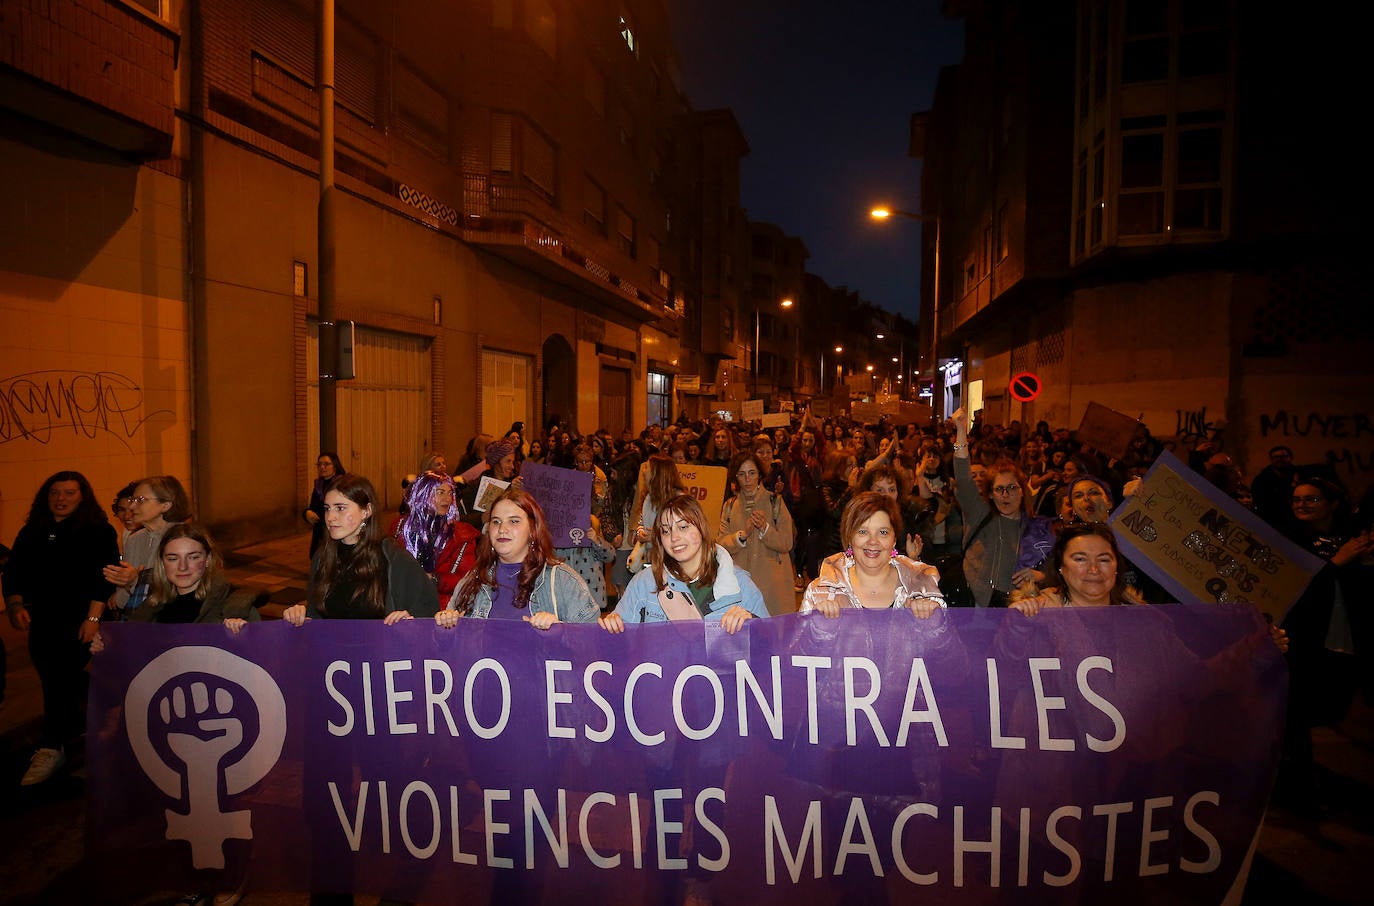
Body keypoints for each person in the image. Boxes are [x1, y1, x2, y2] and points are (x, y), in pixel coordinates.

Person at [4, 471, 119, 785]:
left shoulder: (98, 531)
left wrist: (93, 619)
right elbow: (14, 571)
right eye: (55, 492)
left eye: (70, 492)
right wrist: (15, 604)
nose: (61, 499)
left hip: (82, 618)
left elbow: (104, 577)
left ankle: (52, 746)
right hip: (43, 620)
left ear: (83, 496)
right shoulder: (32, 531)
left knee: (58, 680)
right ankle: (110, 702)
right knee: (55, 677)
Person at [1276, 478, 1374, 810]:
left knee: (1335, 705)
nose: (1301, 504)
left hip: (1344, 635)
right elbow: (1291, 589)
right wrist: (1335, 564)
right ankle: (1298, 786)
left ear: (1332, 503)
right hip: (1302, 638)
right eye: (1296, 499)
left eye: (1311, 499)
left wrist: (1363, 563)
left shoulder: (1354, 538)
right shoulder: (1288, 539)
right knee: (1298, 713)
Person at [282, 475, 438, 625]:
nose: (330, 517)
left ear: (366, 511)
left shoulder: (392, 556)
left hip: (378, 650)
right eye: (327, 509)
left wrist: (408, 620)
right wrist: (300, 615)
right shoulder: (322, 557)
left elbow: (427, 609)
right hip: (333, 651)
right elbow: (316, 615)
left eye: (340, 508)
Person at [600, 493, 765, 631]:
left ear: (701, 528)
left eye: (683, 527)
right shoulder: (644, 583)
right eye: (665, 531)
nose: (674, 537)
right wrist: (613, 627)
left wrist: (753, 622)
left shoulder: (740, 584)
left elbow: (771, 646)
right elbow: (621, 646)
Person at [435, 488, 599, 626]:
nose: (502, 529)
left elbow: (592, 644)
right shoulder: (473, 579)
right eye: (496, 521)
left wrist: (561, 631)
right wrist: (446, 626)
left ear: (533, 530)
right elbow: (453, 652)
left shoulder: (563, 580)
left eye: (513, 521)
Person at [801, 492, 944, 618]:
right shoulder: (821, 591)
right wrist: (820, 629)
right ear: (850, 537)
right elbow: (801, 645)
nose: (873, 541)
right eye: (863, 532)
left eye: (883, 532)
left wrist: (931, 623)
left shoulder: (921, 586)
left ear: (894, 539)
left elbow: (944, 644)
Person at [127, 524, 261, 628]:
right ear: (162, 562)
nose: (183, 567)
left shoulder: (235, 606)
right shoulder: (152, 604)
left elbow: (260, 652)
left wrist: (242, 635)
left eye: (193, 557)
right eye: (173, 559)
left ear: (207, 559)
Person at [718, 451, 797, 615]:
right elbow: (720, 545)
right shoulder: (729, 506)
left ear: (759, 474)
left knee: (773, 634)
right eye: (742, 474)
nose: (747, 479)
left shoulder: (775, 502)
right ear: (735, 477)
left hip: (773, 585)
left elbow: (786, 542)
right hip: (740, 586)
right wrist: (741, 536)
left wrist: (765, 529)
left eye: (752, 473)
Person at [103, 474, 192, 614]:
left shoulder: (184, 538)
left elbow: (182, 588)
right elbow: (123, 599)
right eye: (133, 499)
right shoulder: (134, 539)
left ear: (165, 505)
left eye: (141, 500)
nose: (132, 506)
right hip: (139, 619)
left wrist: (134, 581)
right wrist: (125, 583)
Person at [1009, 522, 1145, 613]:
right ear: (1060, 567)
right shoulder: (1038, 614)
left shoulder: (1142, 617)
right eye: (1080, 559)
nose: (1093, 569)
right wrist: (1017, 627)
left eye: (1104, 560)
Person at [391, 471, 480, 600]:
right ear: (423, 494)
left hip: (441, 607)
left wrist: (435, 580)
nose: (447, 499)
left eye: (450, 493)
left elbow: (467, 580)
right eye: (440, 492)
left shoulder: (462, 535)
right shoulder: (400, 526)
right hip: (402, 600)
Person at [457, 439, 520, 529]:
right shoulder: (477, 487)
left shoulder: (512, 484)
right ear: (496, 462)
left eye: (513, 462)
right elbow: (460, 519)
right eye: (508, 461)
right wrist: (481, 518)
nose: (512, 466)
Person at [304, 452, 347, 558]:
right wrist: (307, 513)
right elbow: (314, 506)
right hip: (321, 530)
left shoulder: (342, 484)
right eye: (319, 464)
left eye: (326, 464)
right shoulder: (319, 485)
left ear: (335, 465)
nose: (322, 467)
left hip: (336, 529)